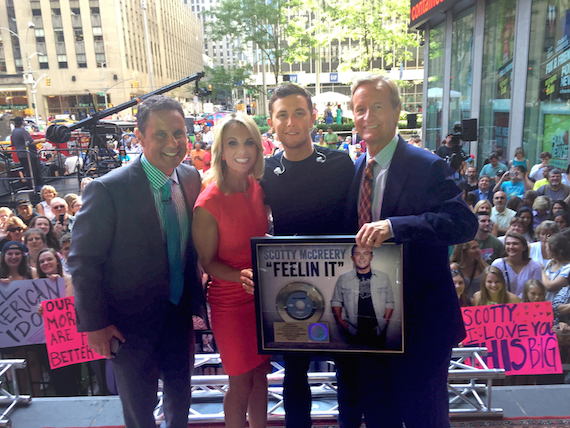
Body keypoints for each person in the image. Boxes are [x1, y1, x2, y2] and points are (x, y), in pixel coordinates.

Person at [344, 75, 478, 427]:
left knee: (425, 417)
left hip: (422, 322)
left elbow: (463, 223)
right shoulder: (357, 168)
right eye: (360, 109)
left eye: (376, 106)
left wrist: (396, 226)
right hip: (373, 322)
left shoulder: (427, 165)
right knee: (378, 414)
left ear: (397, 110)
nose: (367, 116)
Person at [68, 95, 205, 428]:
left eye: (179, 133)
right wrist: (95, 324)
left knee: (180, 404)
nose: (173, 142)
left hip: (178, 318)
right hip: (128, 327)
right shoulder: (107, 190)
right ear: (139, 138)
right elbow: (83, 261)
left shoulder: (190, 178)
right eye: (160, 135)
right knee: (140, 415)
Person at [261, 84, 354, 428]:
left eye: (298, 112)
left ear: (313, 117)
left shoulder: (341, 163)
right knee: (294, 373)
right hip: (291, 288)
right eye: (282, 114)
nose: (291, 121)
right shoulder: (266, 170)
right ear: (272, 122)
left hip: (339, 284)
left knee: (348, 369)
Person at [193, 114, 271, 428]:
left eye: (249, 141)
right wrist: (239, 276)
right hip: (229, 304)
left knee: (262, 375)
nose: (243, 149)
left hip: (261, 297)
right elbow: (207, 262)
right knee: (240, 381)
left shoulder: (256, 187)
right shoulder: (208, 202)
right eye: (233, 142)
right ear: (221, 151)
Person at [331, 245, 394, 347]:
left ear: (371, 257)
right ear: (352, 257)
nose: (362, 257)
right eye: (357, 254)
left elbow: (390, 302)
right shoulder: (343, 279)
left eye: (366, 254)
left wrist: (385, 322)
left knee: (379, 361)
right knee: (353, 362)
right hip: (353, 332)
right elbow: (336, 301)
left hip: (378, 332)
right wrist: (340, 321)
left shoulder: (384, 278)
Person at [491, 231, 542, 297]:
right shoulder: (497, 264)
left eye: (515, 244)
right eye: (508, 244)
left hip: (526, 304)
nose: (511, 247)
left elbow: (536, 291)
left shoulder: (535, 267)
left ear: (524, 247)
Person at [11, 116, 45, 191]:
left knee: (28, 171)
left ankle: (31, 187)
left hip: (20, 154)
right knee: (35, 171)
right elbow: (31, 142)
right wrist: (41, 140)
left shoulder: (14, 131)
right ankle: (37, 187)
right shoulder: (22, 131)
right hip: (29, 155)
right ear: (21, 122)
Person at [541, 233, 570, 301]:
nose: (546, 250)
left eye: (546, 247)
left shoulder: (568, 268)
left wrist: (541, 270)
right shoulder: (551, 263)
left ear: (552, 249)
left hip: (559, 307)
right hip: (546, 305)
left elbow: (550, 286)